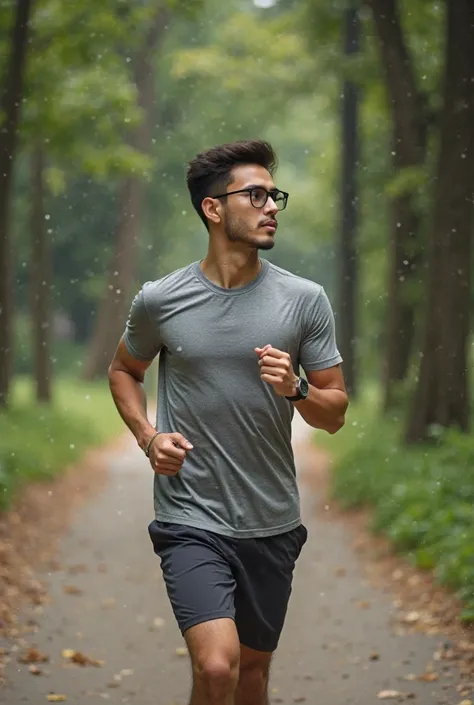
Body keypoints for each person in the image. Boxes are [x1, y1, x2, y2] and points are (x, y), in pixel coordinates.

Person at [108, 139, 348, 705]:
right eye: (256, 195)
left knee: (251, 677)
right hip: (191, 515)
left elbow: (334, 412)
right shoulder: (160, 300)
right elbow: (124, 370)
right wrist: (148, 437)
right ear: (213, 209)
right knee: (217, 667)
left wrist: (297, 387)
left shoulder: (303, 300)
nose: (271, 208)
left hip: (271, 519)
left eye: (274, 196)